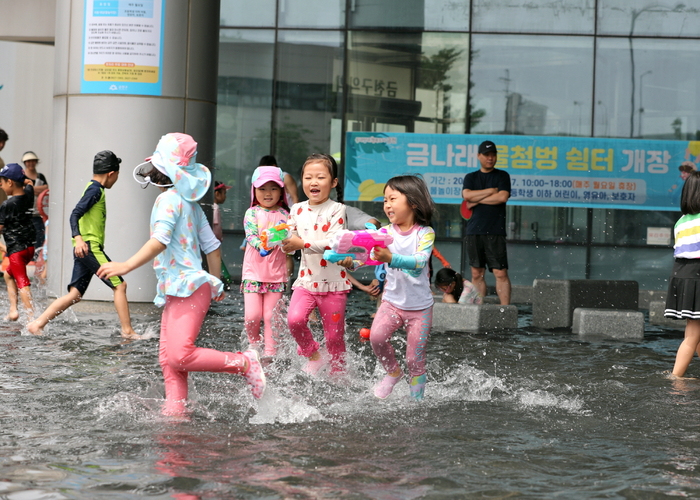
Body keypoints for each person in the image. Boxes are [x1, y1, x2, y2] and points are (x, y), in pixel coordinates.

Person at [96, 133, 265, 413]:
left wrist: (125, 265)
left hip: (186, 286)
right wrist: (215, 283)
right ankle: (176, 412)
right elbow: (212, 247)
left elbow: (159, 240)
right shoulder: (192, 205)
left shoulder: (167, 201)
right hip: (185, 287)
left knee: (178, 355)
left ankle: (244, 362)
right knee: (169, 360)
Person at [26, 151, 139, 338]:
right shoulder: (95, 190)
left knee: (75, 295)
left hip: (83, 249)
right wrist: (78, 239)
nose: (116, 179)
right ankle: (127, 331)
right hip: (89, 247)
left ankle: (37, 324)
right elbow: (75, 214)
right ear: (111, 173)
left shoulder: (92, 187)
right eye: (117, 175)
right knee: (120, 285)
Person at [366, 175, 436, 401]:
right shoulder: (385, 233)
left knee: (414, 360)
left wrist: (391, 257)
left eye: (392, 199)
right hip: (392, 303)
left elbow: (418, 263)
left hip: (420, 309)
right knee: (376, 337)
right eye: (385, 200)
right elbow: (371, 258)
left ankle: (416, 403)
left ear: (413, 202)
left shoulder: (425, 233)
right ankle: (393, 373)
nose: (387, 205)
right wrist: (352, 261)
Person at [281, 153, 351, 375]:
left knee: (334, 336)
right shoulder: (297, 209)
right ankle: (314, 355)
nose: (313, 182)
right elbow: (289, 236)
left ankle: (339, 374)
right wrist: (285, 244)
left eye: (320, 177)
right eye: (308, 177)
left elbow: (332, 242)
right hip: (307, 281)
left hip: (334, 285)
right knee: (294, 320)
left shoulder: (337, 209)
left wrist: (300, 243)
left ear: (333, 182)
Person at [241, 166, 290, 357]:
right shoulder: (251, 213)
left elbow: (288, 241)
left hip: (276, 274)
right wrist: (260, 246)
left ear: (281, 191)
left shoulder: (286, 216)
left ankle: (270, 352)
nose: (268, 193)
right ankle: (255, 343)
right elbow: (251, 234)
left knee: (271, 317)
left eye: (273, 188)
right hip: (253, 272)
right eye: (262, 189)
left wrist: (286, 240)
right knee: (252, 316)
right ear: (254, 190)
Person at [462, 140, 512, 305]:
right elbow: (467, 196)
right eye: (486, 155)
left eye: (493, 155)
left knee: (500, 272)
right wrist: (491, 191)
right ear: (479, 156)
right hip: (474, 230)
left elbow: (502, 197)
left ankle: (506, 310)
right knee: (477, 273)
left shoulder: (502, 176)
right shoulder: (471, 177)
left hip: (495, 230)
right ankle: (479, 310)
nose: (490, 158)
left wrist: (477, 199)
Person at [664, 170, 700, 378]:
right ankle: (676, 378)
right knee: (692, 335)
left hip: (682, 275)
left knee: (695, 331)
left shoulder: (682, 221)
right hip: (697, 276)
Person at [0, 163, 36, 322]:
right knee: (8, 275)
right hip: (29, 249)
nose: (0, 185)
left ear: (10, 182)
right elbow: (30, 183)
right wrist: (25, 180)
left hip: (16, 252)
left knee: (22, 283)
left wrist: (2, 247)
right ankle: (13, 310)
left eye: (2, 182)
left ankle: (32, 319)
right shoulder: (29, 195)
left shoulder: (7, 205)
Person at [259, 155, 299, 283]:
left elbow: (295, 197)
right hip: (270, 213)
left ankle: (286, 283)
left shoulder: (285, 177)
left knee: (286, 251)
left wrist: (295, 217)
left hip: (286, 214)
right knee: (268, 245)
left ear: (275, 167)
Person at [21, 151, 49, 258]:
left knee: (39, 238)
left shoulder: (40, 177)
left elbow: (46, 188)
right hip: (25, 214)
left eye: (33, 161)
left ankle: (36, 260)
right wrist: (36, 190)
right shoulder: (22, 176)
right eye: (28, 161)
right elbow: (21, 190)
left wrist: (30, 189)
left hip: (38, 214)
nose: (31, 163)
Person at [212, 180, 233, 289]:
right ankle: (223, 282)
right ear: (217, 194)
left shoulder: (213, 206)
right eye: (224, 193)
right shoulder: (215, 208)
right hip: (214, 242)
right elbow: (214, 226)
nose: (225, 196)